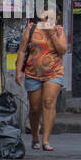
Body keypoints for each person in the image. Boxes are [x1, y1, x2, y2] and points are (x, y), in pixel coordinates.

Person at [15, 11, 67, 151]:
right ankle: (35, 137)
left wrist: (51, 33)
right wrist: (18, 71)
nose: (48, 19)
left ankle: (45, 140)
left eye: (51, 17)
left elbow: (62, 50)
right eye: (46, 16)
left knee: (49, 102)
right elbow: (21, 50)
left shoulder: (59, 30)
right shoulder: (31, 28)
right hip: (33, 73)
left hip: (54, 72)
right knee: (35, 108)